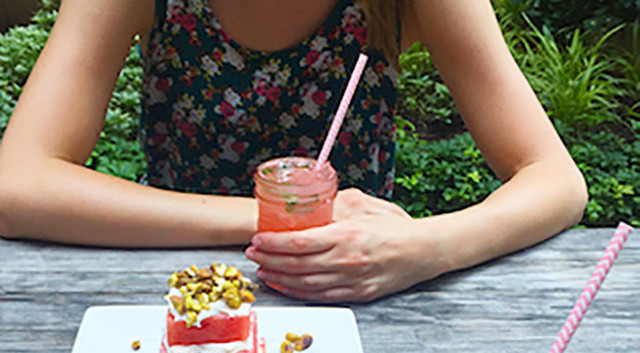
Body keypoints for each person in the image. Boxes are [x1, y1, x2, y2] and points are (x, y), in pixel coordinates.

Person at [0, 0, 587, 302]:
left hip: (358, 291)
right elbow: (17, 182)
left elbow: (556, 180)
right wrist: (278, 218)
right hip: (181, 289)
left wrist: (429, 245)